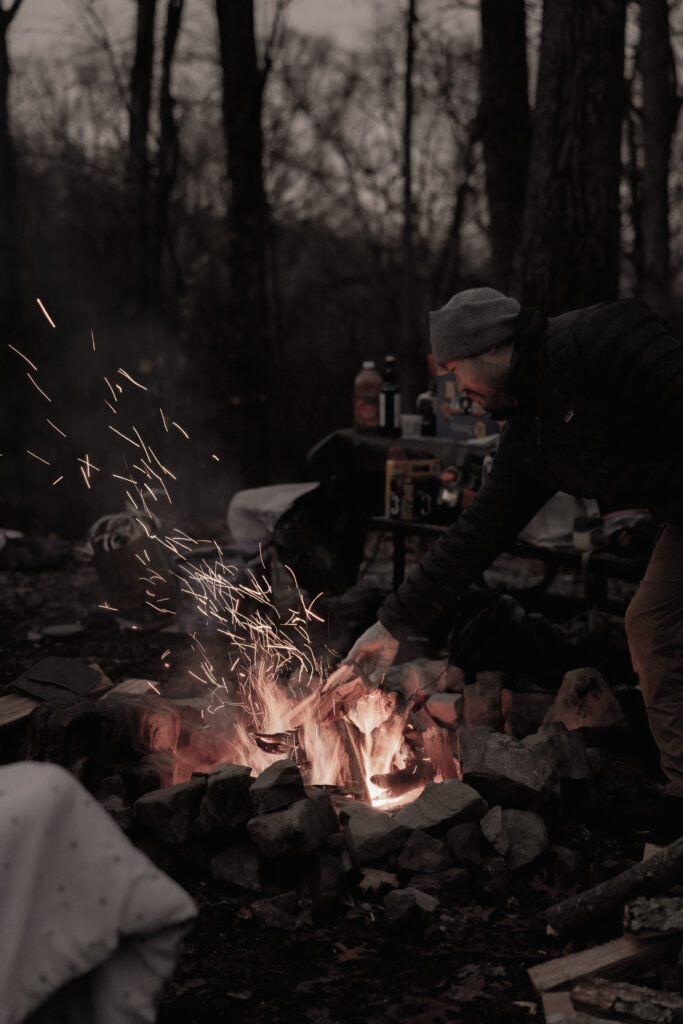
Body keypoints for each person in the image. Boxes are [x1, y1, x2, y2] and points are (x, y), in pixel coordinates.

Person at [343, 286, 683, 795]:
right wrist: (389, 626)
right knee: (651, 624)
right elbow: (473, 537)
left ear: (491, 349)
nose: (457, 390)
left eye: (455, 372)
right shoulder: (529, 437)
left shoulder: (601, 336)